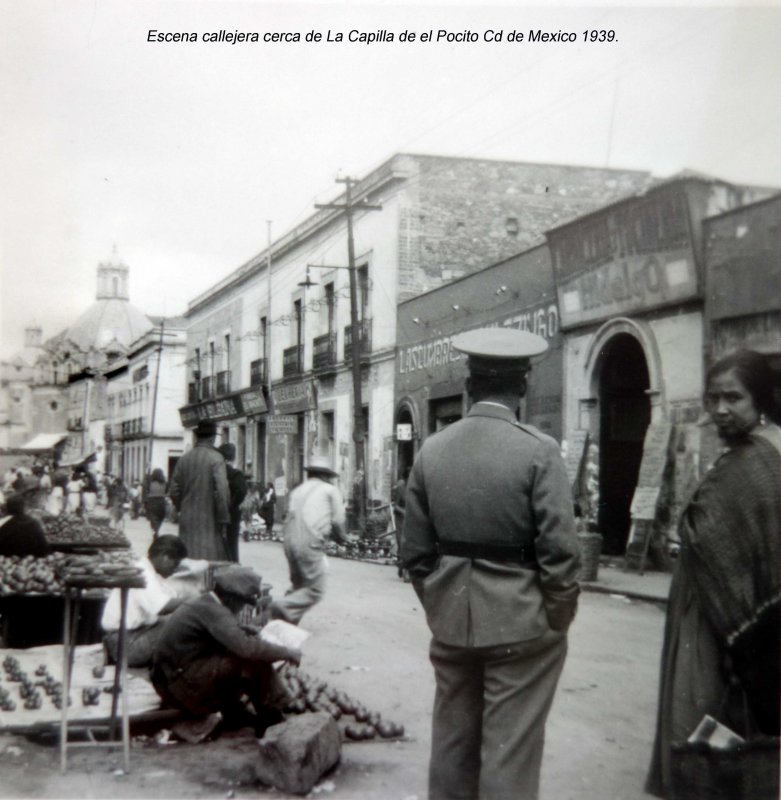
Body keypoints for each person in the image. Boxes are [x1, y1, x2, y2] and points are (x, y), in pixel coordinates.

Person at [401, 328, 581, 800]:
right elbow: (561, 553)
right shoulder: (538, 450)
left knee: (452, 747)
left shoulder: (431, 450)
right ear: (522, 387)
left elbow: (415, 555)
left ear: (469, 383)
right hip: (521, 624)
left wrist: (441, 605)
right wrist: (555, 619)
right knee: (509, 755)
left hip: (452, 625)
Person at [646, 349, 781, 798]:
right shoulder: (757, 452)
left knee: (702, 727)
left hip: (719, 621)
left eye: (734, 398)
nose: (721, 409)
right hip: (731, 612)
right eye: (713, 398)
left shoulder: (753, 462)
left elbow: (726, 544)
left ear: (759, 399)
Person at [151, 564, 301, 735]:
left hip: (173, 677)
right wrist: (287, 652)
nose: (241, 609)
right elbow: (247, 649)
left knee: (238, 655)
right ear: (232, 599)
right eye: (242, 604)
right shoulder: (212, 610)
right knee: (251, 659)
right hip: (177, 686)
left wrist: (243, 628)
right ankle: (271, 716)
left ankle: (236, 713)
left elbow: (220, 628)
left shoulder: (205, 602)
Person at [270, 455, 349, 625]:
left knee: (299, 585)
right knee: (315, 589)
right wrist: (343, 539)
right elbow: (338, 521)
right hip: (310, 541)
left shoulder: (297, 491)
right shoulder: (330, 490)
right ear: (326, 476)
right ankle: (280, 607)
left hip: (289, 541)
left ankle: (283, 623)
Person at [101, 535, 188, 668]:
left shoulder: (149, 571)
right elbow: (163, 607)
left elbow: (170, 598)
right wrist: (195, 599)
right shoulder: (143, 573)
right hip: (127, 644)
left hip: (127, 637)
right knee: (184, 622)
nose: (175, 569)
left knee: (176, 619)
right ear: (165, 557)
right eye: (175, 563)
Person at [169, 419, 231, 561]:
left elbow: (174, 490)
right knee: (208, 561)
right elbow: (222, 491)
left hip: (187, 519)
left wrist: (182, 506)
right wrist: (223, 518)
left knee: (188, 559)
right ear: (213, 438)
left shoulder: (184, 459)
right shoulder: (216, 458)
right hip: (209, 520)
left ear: (197, 436)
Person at [219, 443, 248, 563]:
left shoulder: (217, 471)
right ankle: (232, 565)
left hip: (217, 512)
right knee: (232, 544)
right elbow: (242, 491)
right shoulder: (236, 474)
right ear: (233, 457)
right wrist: (233, 504)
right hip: (232, 514)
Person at [0, 491, 51, 557]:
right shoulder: (34, 523)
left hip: (8, 562)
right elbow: (44, 548)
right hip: (31, 562)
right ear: (23, 507)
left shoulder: (3, 525)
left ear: (7, 508)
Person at [144, 468, 168, 539]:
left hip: (152, 501)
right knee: (160, 517)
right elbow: (167, 492)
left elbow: (146, 491)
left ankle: (155, 530)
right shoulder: (165, 483)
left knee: (153, 517)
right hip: (162, 501)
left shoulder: (150, 483)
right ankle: (157, 529)